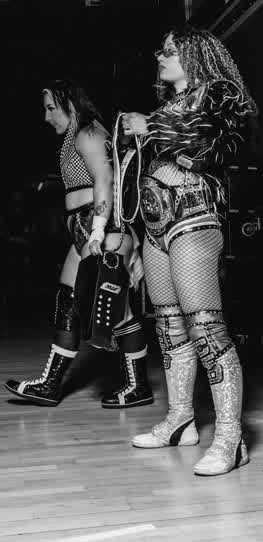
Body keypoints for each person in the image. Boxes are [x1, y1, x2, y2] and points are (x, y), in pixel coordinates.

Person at [120, 27, 257, 476]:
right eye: (160, 50)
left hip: (194, 218)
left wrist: (152, 126)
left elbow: (219, 141)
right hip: (156, 223)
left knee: (206, 328)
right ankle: (180, 421)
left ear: (194, 53)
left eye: (170, 51)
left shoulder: (220, 93)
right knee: (168, 325)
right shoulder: (168, 106)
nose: (160, 56)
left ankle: (231, 439)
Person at [5, 79, 152, 409]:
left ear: (69, 104)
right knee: (68, 302)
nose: (46, 117)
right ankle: (50, 385)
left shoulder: (88, 133)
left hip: (99, 228)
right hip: (84, 228)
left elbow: (105, 180)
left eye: (51, 108)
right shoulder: (77, 136)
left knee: (115, 312)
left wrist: (99, 230)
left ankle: (138, 386)